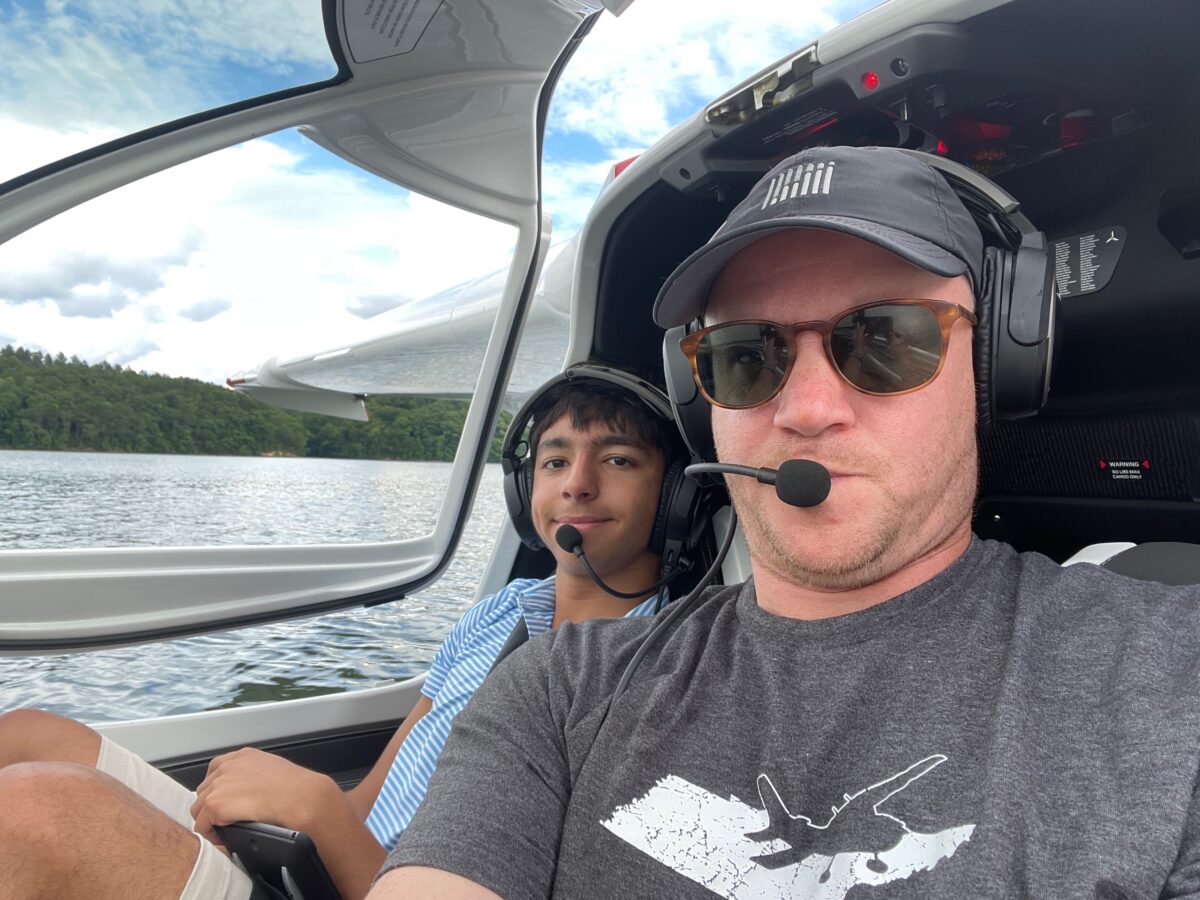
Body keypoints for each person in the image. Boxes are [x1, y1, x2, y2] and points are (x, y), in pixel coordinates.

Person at [368, 145, 1200, 899]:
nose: (804, 410)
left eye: (886, 338)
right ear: (705, 401)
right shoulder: (560, 685)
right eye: (746, 356)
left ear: (997, 365)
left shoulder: (1171, 677)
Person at [0, 365, 694, 900]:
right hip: (316, 863)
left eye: (618, 460)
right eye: (553, 460)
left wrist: (315, 808)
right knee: (27, 734)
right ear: (524, 489)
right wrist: (303, 813)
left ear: (674, 500)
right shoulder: (496, 613)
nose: (576, 484)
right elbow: (369, 802)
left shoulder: (659, 675)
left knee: (40, 810)